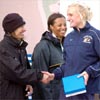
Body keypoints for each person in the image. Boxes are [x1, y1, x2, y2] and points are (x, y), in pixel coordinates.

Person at [43, 2, 100, 100]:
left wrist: (89, 72)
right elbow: (66, 64)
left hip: (88, 91)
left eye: (70, 15)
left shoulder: (95, 35)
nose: (68, 18)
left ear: (81, 14)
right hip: (69, 90)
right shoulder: (69, 38)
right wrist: (54, 75)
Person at [0, 13, 50, 100]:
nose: (24, 29)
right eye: (21, 27)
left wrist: (28, 83)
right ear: (11, 29)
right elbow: (17, 72)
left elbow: (26, 70)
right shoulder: (2, 50)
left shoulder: (20, 47)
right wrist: (40, 76)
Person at [31, 13, 67, 100]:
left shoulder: (67, 44)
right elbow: (41, 79)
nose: (63, 28)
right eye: (59, 25)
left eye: (65, 25)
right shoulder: (42, 47)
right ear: (51, 27)